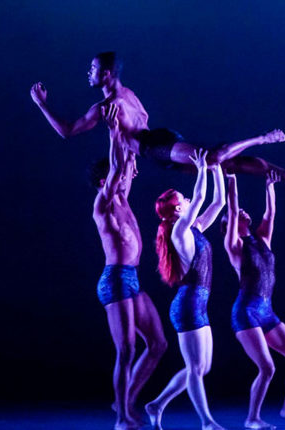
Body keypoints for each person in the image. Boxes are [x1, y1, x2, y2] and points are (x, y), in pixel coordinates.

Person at [30, 51, 285, 195]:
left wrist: (42, 104)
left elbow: (67, 131)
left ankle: (262, 138)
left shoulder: (107, 106)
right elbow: (133, 131)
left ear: (106, 74)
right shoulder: (129, 95)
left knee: (212, 158)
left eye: (93, 69)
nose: (88, 73)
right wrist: (131, 158)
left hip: (156, 146)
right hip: (157, 146)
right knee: (225, 166)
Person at [92, 104, 168, 430]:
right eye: (117, 177)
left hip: (132, 279)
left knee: (158, 344)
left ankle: (124, 400)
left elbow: (126, 163)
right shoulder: (104, 204)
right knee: (126, 349)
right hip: (115, 281)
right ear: (104, 181)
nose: (124, 179)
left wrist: (128, 134)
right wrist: (112, 133)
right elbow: (116, 168)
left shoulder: (123, 199)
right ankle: (122, 417)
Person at [222, 172, 285, 429]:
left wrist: (270, 186)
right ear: (231, 223)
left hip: (266, 311)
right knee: (267, 368)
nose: (242, 212)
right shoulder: (235, 246)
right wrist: (232, 181)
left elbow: (270, 214)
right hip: (246, 312)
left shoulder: (262, 239)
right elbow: (233, 209)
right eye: (236, 214)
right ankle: (252, 418)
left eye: (243, 211)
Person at [145, 148, 227, 430]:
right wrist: (202, 169)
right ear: (178, 210)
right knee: (195, 369)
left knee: (203, 367)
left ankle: (156, 404)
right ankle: (207, 422)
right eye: (184, 199)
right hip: (188, 305)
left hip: (198, 304)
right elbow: (201, 197)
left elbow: (218, 202)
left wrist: (217, 168)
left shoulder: (195, 228)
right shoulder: (179, 231)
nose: (189, 200)